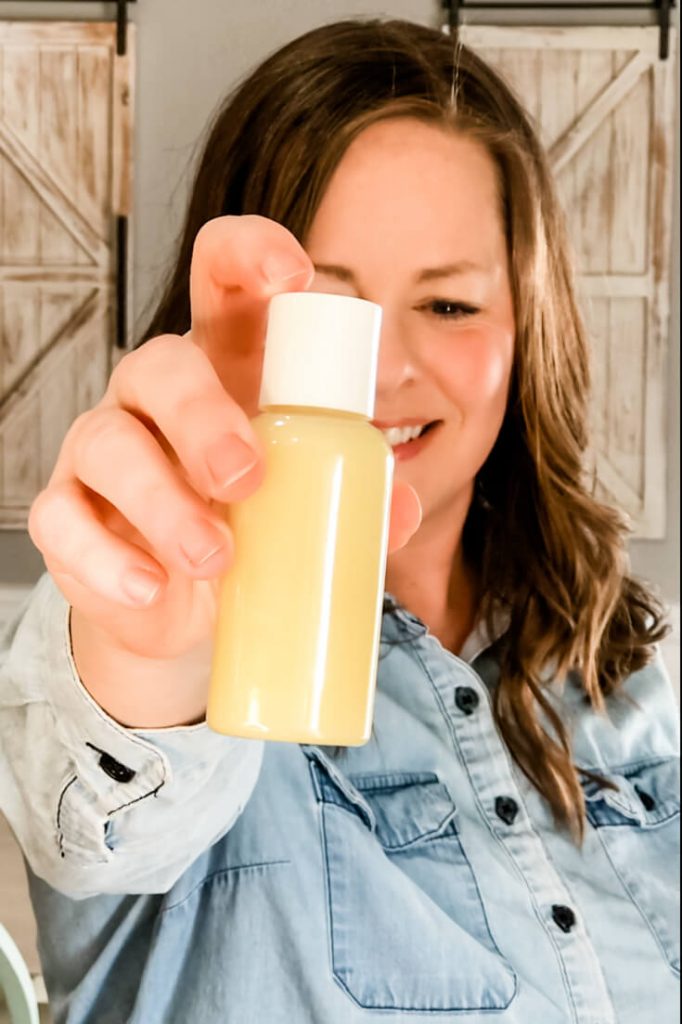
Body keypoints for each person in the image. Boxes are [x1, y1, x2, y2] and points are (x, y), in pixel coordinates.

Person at [0, 16, 678, 1024]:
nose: (382, 370)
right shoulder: (180, 621)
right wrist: (147, 649)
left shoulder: (617, 664)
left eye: (447, 305)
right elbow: (109, 798)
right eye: (326, 302)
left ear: (528, 328)